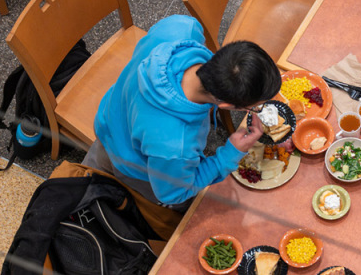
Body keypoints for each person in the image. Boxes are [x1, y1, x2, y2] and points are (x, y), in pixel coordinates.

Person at [83, 15, 281, 211]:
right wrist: (229, 155)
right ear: (226, 105)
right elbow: (174, 194)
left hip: (113, 114)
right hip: (131, 161)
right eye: (253, 107)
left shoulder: (182, 28)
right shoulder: (175, 147)